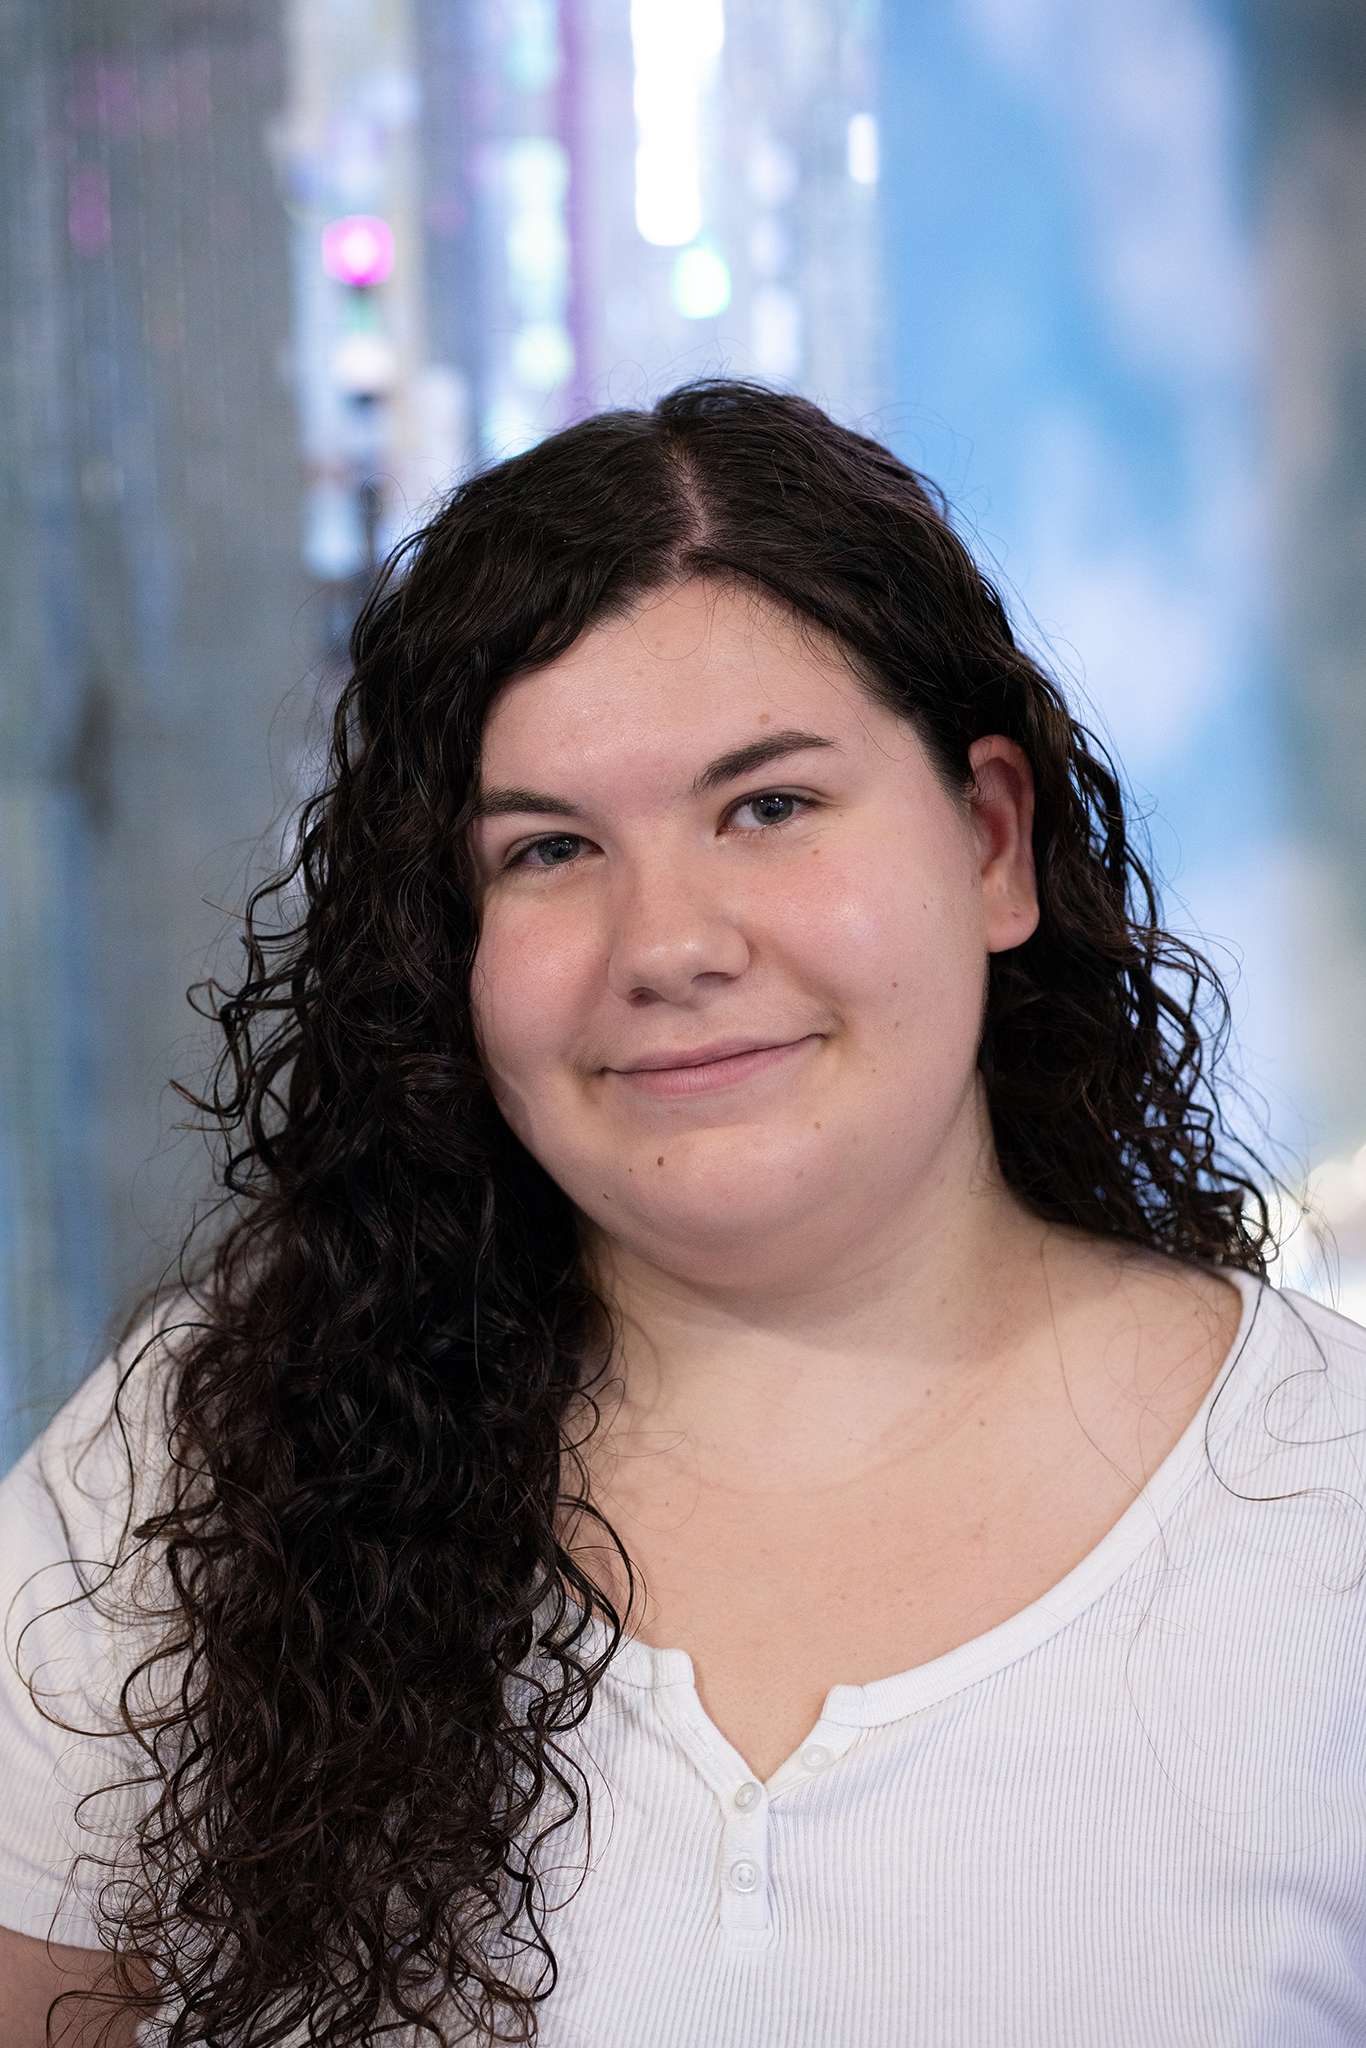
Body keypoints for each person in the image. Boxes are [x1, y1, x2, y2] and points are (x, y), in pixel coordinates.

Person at [1, 376, 1364, 2048]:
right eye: (548, 851)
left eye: (768, 808)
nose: (666, 944)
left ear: (991, 844)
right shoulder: (196, 1456)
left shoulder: (1329, 1498)